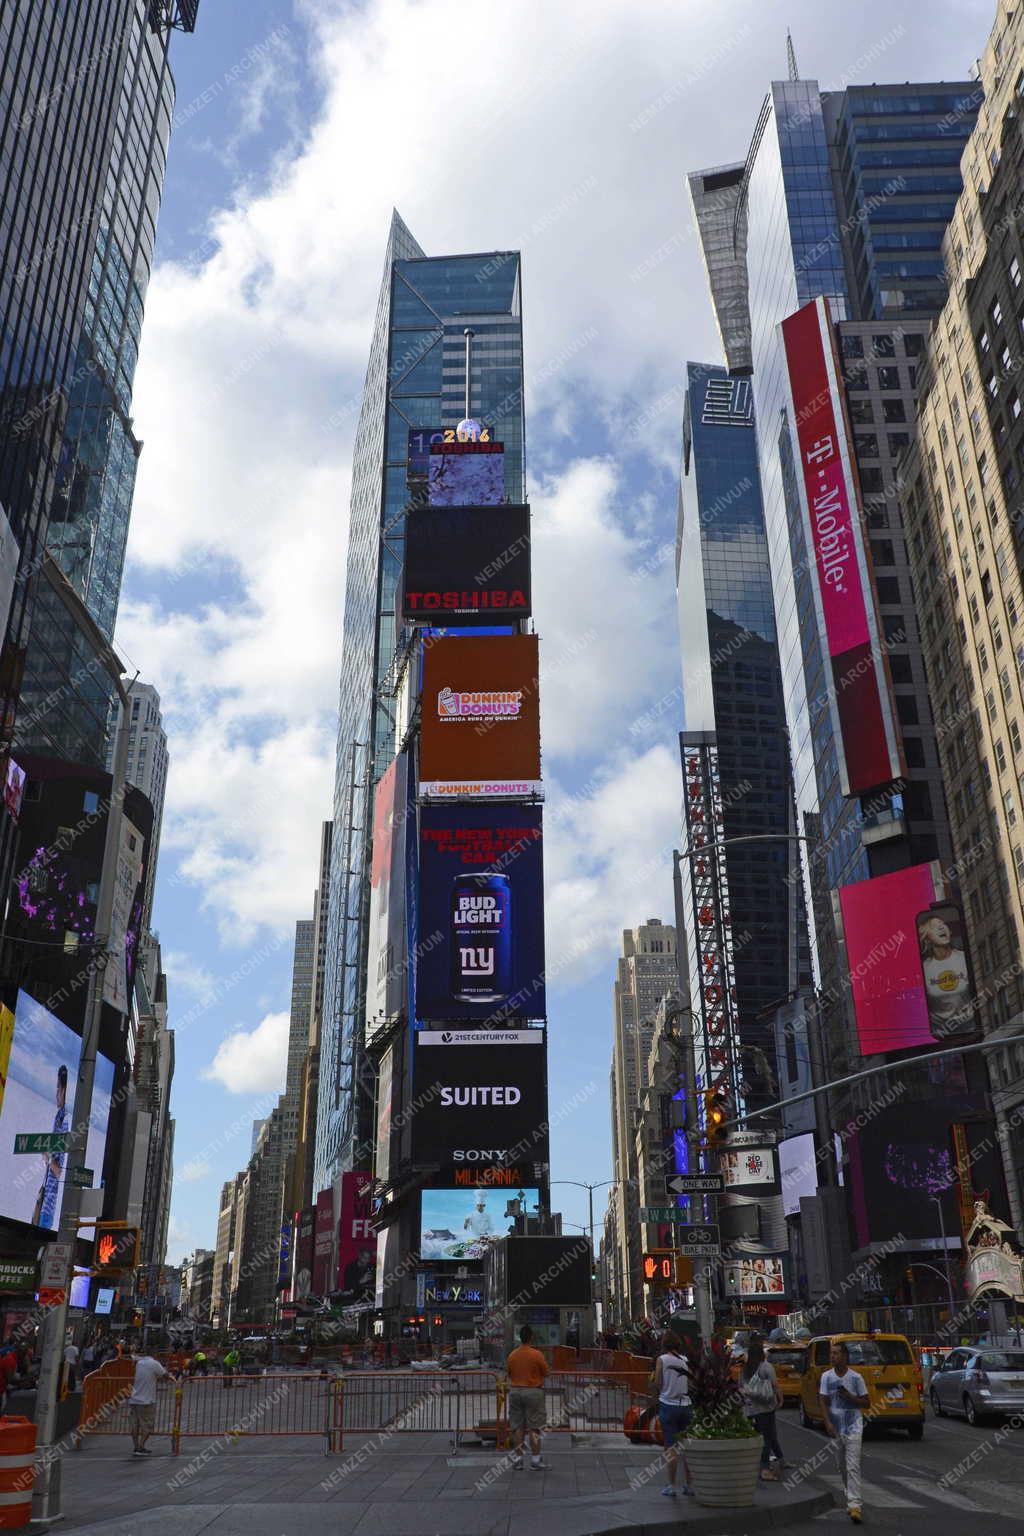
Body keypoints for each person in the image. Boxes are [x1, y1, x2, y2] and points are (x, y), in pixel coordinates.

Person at [820, 1340, 870, 1524]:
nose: (832, 1356)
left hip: (854, 1426)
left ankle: (855, 1505)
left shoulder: (856, 1378)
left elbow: (867, 1403)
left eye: (836, 1353)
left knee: (853, 1465)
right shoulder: (826, 1377)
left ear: (845, 1356)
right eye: (831, 1353)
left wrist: (851, 1397)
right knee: (841, 1465)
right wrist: (827, 1422)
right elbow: (823, 1400)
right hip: (836, 1427)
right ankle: (850, 1494)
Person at [652, 1331, 693, 1498]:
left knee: (671, 1447)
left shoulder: (661, 1360)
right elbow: (690, 1382)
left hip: (668, 1405)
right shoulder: (685, 1361)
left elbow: (658, 1382)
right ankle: (689, 1485)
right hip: (686, 1405)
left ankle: (671, 1485)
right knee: (686, 1447)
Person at [740, 1337, 784, 1481]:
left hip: (750, 1410)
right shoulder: (766, 1367)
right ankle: (764, 1469)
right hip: (766, 1408)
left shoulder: (745, 1369)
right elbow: (775, 1385)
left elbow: (741, 1387)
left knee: (755, 1439)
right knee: (767, 1438)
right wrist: (780, 1398)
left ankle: (756, 1466)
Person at [505, 1324, 548, 1471]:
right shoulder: (537, 1354)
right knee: (535, 1427)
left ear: (520, 1337)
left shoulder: (512, 1355)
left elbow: (509, 1373)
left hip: (515, 1392)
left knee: (517, 1427)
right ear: (531, 1337)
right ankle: (535, 1460)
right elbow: (546, 1372)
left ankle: (518, 1460)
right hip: (533, 1392)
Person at [918, 915, 971, 1036]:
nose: (941, 927)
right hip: (941, 1033)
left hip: (972, 1026)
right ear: (927, 939)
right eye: (934, 927)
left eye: (943, 924)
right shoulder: (924, 968)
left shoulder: (965, 958)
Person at [33, 1064, 70, 1229]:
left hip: (48, 1209)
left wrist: (48, 1159)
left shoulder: (64, 1122)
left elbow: (59, 1170)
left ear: (63, 1091)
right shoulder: (59, 1118)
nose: (56, 1093)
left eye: (58, 1088)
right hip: (44, 1203)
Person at [127, 1349, 169, 1457]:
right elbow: (166, 1375)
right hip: (146, 1400)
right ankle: (140, 1447)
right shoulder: (154, 1363)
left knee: (135, 1425)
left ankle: (136, 1446)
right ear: (154, 1354)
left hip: (134, 1399)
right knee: (147, 1425)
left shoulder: (139, 1363)